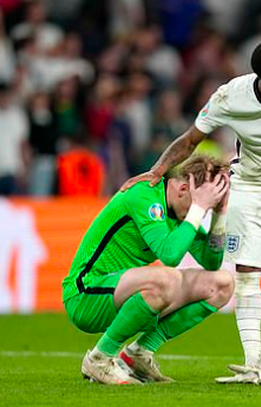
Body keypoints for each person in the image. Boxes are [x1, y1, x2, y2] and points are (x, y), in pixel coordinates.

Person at [122, 39, 261, 385]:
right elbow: (190, 139)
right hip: (250, 185)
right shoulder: (230, 97)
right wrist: (157, 170)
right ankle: (253, 363)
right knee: (246, 273)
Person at [62, 155, 234, 385]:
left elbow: (211, 262)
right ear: (184, 188)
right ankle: (100, 358)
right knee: (167, 278)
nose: (201, 213)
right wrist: (197, 209)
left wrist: (219, 216)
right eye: (200, 206)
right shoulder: (145, 194)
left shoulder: (180, 209)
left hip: (121, 292)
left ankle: (138, 355)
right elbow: (170, 255)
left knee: (222, 283)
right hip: (85, 294)